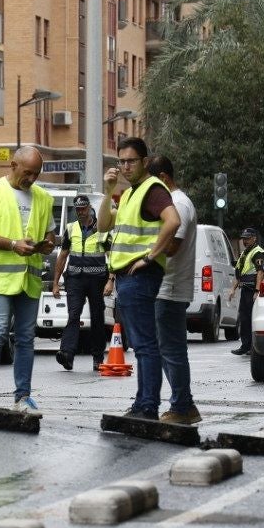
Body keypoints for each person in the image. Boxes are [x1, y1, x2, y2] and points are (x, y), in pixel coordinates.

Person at [97, 136, 181, 420]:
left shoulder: (152, 188)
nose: (125, 166)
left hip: (139, 275)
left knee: (145, 345)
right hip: (128, 276)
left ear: (145, 161)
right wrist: (108, 191)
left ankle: (147, 406)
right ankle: (143, 404)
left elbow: (173, 221)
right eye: (121, 161)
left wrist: (149, 256)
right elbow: (102, 224)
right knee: (142, 344)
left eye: (131, 160)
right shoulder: (131, 192)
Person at [0, 146, 56, 411]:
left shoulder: (43, 197)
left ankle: (23, 395)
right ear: (12, 165)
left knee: (26, 337)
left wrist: (47, 245)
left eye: (36, 174)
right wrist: (12, 244)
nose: (31, 179)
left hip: (28, 279)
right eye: (27, 172)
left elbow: (51, 234)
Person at [146, 155, 200, 425]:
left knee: (172, 350)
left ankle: (182, 406)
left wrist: (144, 249)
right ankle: (184, 404)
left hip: (170, 287)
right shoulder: (177, 202)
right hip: (165, 287)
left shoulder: (177, 203)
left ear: (164, 179)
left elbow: (172, 246)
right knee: (168, 349)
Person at [50, 195, 111, 372]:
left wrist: (111, 280)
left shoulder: (102, 229)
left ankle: (98, 357)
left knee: (97, 318)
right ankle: (67, 354)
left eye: (83, 208)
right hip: (75, 278)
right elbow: (62, 256)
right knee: (74, 315)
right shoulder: (71, 228)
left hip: (97, 279)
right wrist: (55, 283)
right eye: (77, 209)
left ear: (89, 208)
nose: (80, 212)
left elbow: (111, 256)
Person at [230, 226, 264, 356]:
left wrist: (257, 290)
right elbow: (239, 274)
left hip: (252, 291)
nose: (245, 241)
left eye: (248, 239)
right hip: (245, 290)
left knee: (251, 318)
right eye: (244, 239)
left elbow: (260, 272)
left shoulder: (257, 252)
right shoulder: (245, 253)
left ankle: (252, 347)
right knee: (244, 319)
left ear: (254, 238)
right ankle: (245, 346)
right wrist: (232, 289)